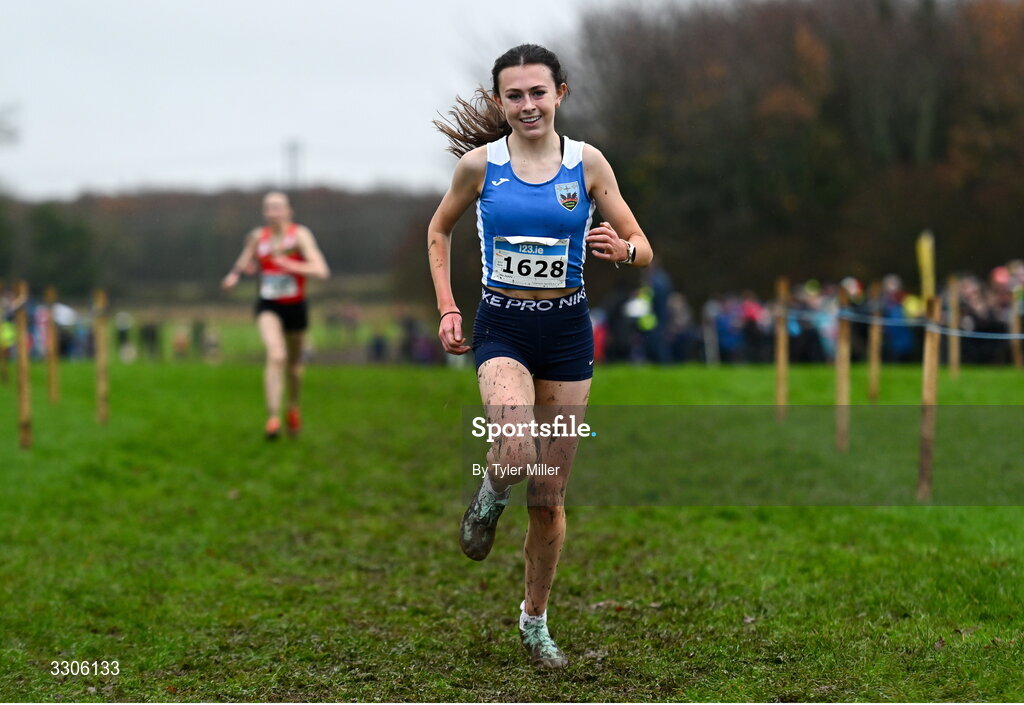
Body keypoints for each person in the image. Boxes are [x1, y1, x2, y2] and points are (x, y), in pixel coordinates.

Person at [427, 44, 652, 669]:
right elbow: (439, 228)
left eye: (537, 92)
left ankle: (534, 621)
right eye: (515, 95)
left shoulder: (588, 164)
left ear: (561, 93)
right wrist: (448, 307)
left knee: (549, 497)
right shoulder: (480, 167)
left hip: (567, 334)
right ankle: (487, 499)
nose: (527, 105)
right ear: (500, 101)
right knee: (517, 448)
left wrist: (623, 252)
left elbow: (642, 246)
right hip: (503, 328)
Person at [222, 192, 330, 439]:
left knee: (293, 368)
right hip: (268, 305)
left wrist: (291, 265)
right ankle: (272, 418)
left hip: (296, 306)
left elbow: (322, 271)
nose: (274, 212)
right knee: (276, 354)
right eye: (269, 207)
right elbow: (244, 259)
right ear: (264, 212)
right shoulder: (258, 237)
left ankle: (292, 406)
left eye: (278, 207)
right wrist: (233, 276)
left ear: (289, 211)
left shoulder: (300, 236)